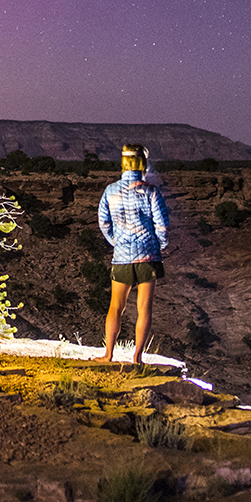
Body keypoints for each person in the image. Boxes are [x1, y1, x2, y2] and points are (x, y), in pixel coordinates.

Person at [98, 144, 169, 363]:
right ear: (143, 164)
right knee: (144, 308)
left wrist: (116, 243)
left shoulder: (110, 191)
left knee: (115, 307)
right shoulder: (151, 191)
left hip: (121, 258)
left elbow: (103, 222)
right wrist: (161, 245)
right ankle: (137, 357)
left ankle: (108, 354)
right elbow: (162, 226)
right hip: (148, 257)